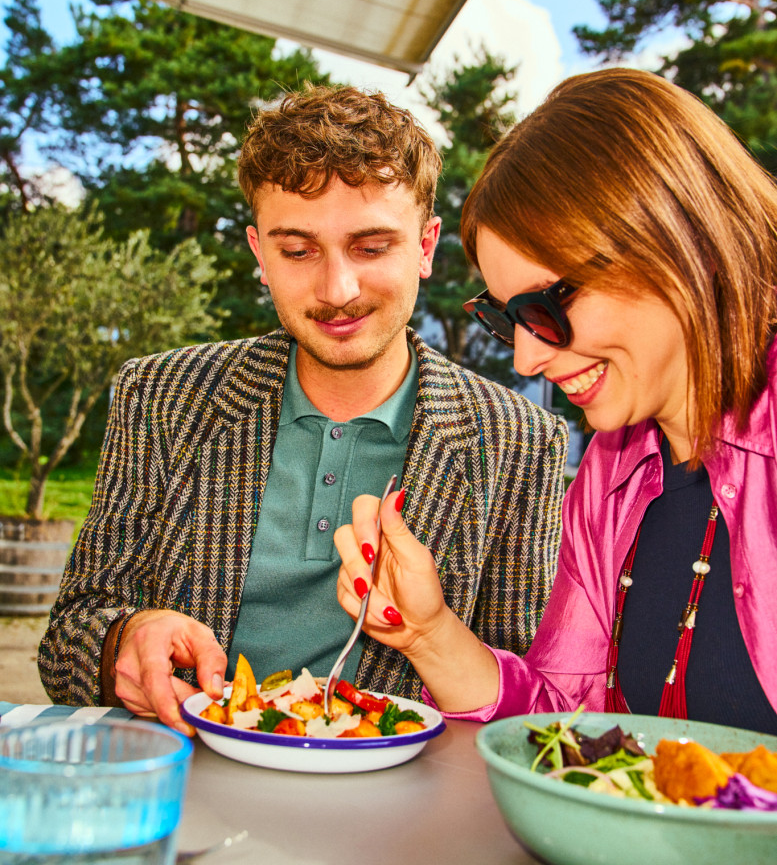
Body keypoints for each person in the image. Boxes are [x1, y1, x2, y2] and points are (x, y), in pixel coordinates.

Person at [38, 84, 568, 735]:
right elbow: (68, 636)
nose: (336, 290)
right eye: (297, 250)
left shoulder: (518, 442)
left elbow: (523, 701)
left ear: (426, 247)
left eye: (372, 247)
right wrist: (124, 637)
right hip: (184, 791)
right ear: (260, 252)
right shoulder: (162, 397)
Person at [334, 68, 777, 734]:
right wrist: (424, 632)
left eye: (544, 308)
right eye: (506, 317)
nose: (527, 358)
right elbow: (568, 725)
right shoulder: (608, 477)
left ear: (682, 241)